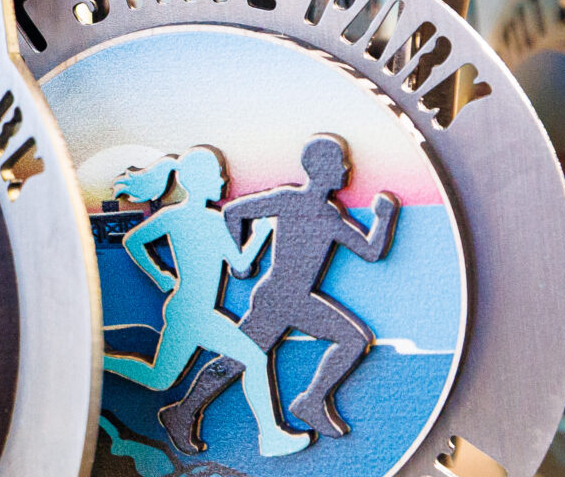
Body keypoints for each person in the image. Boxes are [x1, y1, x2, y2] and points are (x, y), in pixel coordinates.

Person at [162, 134, 395, 453]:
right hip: (276, 299)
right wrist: (240, 262)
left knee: (351, 340)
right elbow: (234, 212)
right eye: (340, 162)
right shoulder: (288, 200)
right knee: (236, 361)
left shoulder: (330, 216)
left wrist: (384, 218)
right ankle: (184, 412)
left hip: (297, 300)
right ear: (322, 168)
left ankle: (311, 401)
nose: (346, 168)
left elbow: (370, 251)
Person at [104, 147, 309, 458]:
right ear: (198, 181)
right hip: (189, 313)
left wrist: (262, 233)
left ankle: (270, 436)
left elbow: (240, 267)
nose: (224, 180)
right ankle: (270, 437)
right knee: (168, 377)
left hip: (199, 313)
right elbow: (133, 240)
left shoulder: (213, 220)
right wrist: (159, 275)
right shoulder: (175, 217)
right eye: (217, 174)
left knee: (161, 377)